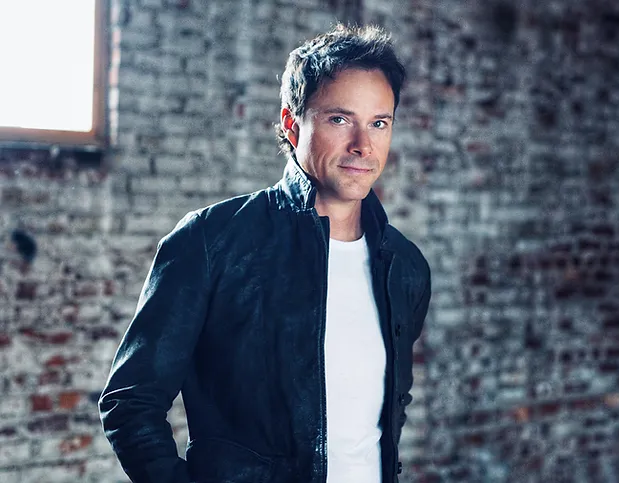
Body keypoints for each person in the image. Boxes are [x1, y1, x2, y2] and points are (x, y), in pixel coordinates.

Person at [99, 23, 431, 483]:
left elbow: (386, 410)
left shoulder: (405, 266)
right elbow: (130, 403)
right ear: (292, 125)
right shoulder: (211, 242)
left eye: (379, 123)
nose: (363, 145)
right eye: (339, 119)